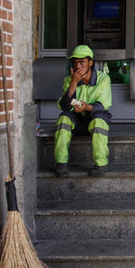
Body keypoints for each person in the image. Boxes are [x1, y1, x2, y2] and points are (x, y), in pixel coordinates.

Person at [54, 45, 112, 177]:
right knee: (63, 118)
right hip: (77, 120)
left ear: (90, 62)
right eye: (75, 62)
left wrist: (86, 107)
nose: (78, 66)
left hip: (93, 116)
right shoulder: (69, 79)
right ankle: (60, 163)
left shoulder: (103, 79)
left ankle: (101, 164)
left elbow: (103, 105)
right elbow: (64, 105)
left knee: (99, 120)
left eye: (82, 62)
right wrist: (73, 84)